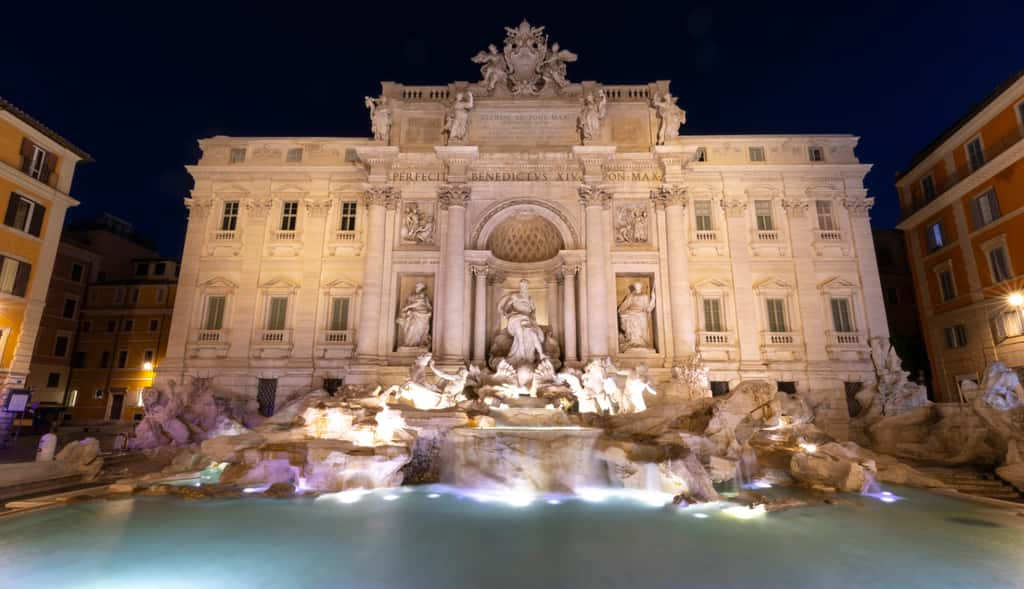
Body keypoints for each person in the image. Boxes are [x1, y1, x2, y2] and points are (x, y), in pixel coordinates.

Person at [497, 279, 547, 367]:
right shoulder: (515, 296)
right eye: (523, 285)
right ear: (520, 286)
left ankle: (534, 355)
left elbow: (533, 310)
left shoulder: (530, 298)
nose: (524, 287)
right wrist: (506, 314)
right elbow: (505, 306)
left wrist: (533, 320)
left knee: (534, 334)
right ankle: (521, 352)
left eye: (526, 286)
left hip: (527, 320)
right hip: (516, 318)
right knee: (521, 333)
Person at [618, 282, 656, 350]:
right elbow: (623, 307)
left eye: (639, 286)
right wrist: (624, 312)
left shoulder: (645, 296)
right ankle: (633, 342)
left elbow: (648, 308)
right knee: (630, 320)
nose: (637, 287)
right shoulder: (630, 296)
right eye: (636, 286)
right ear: (634, 287)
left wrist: (653, 298)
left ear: (641, 287)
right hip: (631, 313)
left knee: (641, 323)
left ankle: (641, 343)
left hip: (641, 314)